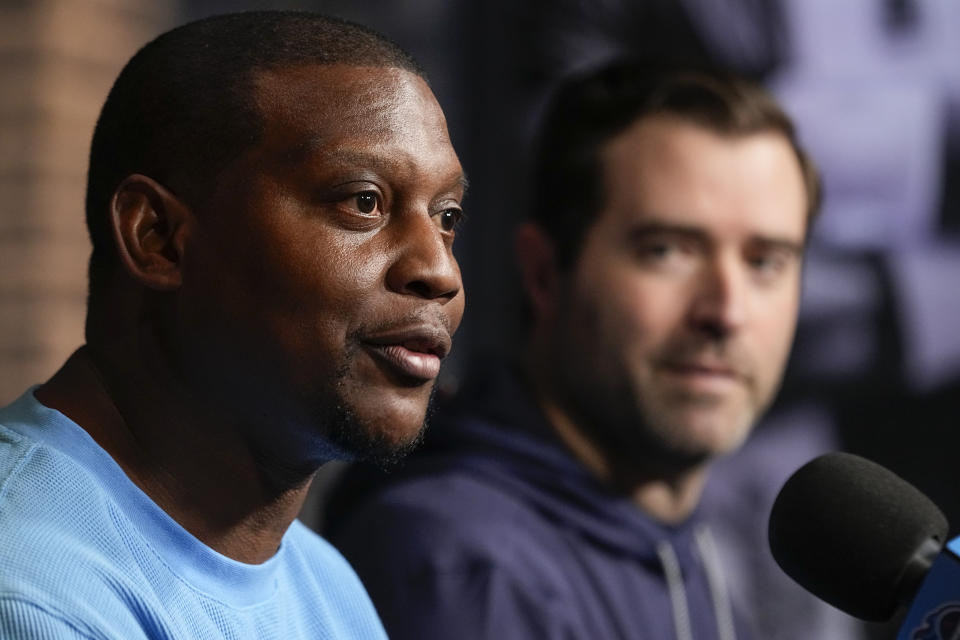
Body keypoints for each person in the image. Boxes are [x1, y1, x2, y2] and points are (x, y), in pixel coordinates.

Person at [0, 10, 466, 640]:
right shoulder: (32, 589)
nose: (439, 271)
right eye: (363, 202)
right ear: (158, 238)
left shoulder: (326, 583)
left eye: (447, 216)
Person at [325, 61, 820, 640]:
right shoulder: (466, 566)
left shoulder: (681, 541)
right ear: (544, 274)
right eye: (666, 251)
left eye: (765, 262)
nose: (726, 312)